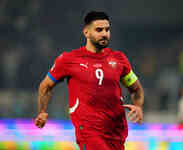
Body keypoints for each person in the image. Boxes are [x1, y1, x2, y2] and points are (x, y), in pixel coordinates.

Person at [34, 11, 144, 150]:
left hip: (116, 131)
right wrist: (42, 111)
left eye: (107, 29)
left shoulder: (119, 59)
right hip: (88, 131)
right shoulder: (69, 60)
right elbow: (45, 86)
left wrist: (138, 106)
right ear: (86, 32)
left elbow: (136, 89)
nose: (104, 33)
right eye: (99, 30)